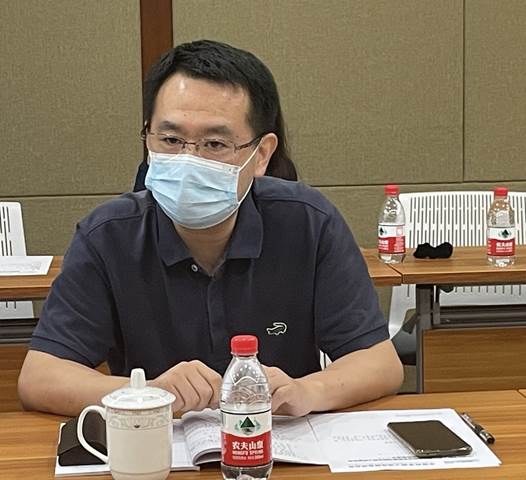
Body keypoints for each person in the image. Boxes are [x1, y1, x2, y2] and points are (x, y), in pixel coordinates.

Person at [18, 40, 403, 417]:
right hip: (157, 444)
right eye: (170, 139)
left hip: (280, 440)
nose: (189, 160)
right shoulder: (107, 235)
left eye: (215, 144)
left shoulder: (309, 222)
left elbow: (379, 363)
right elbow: (41, 377)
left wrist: (307, 391)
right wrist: (147, 394)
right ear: (148, 137)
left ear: (261, 154)